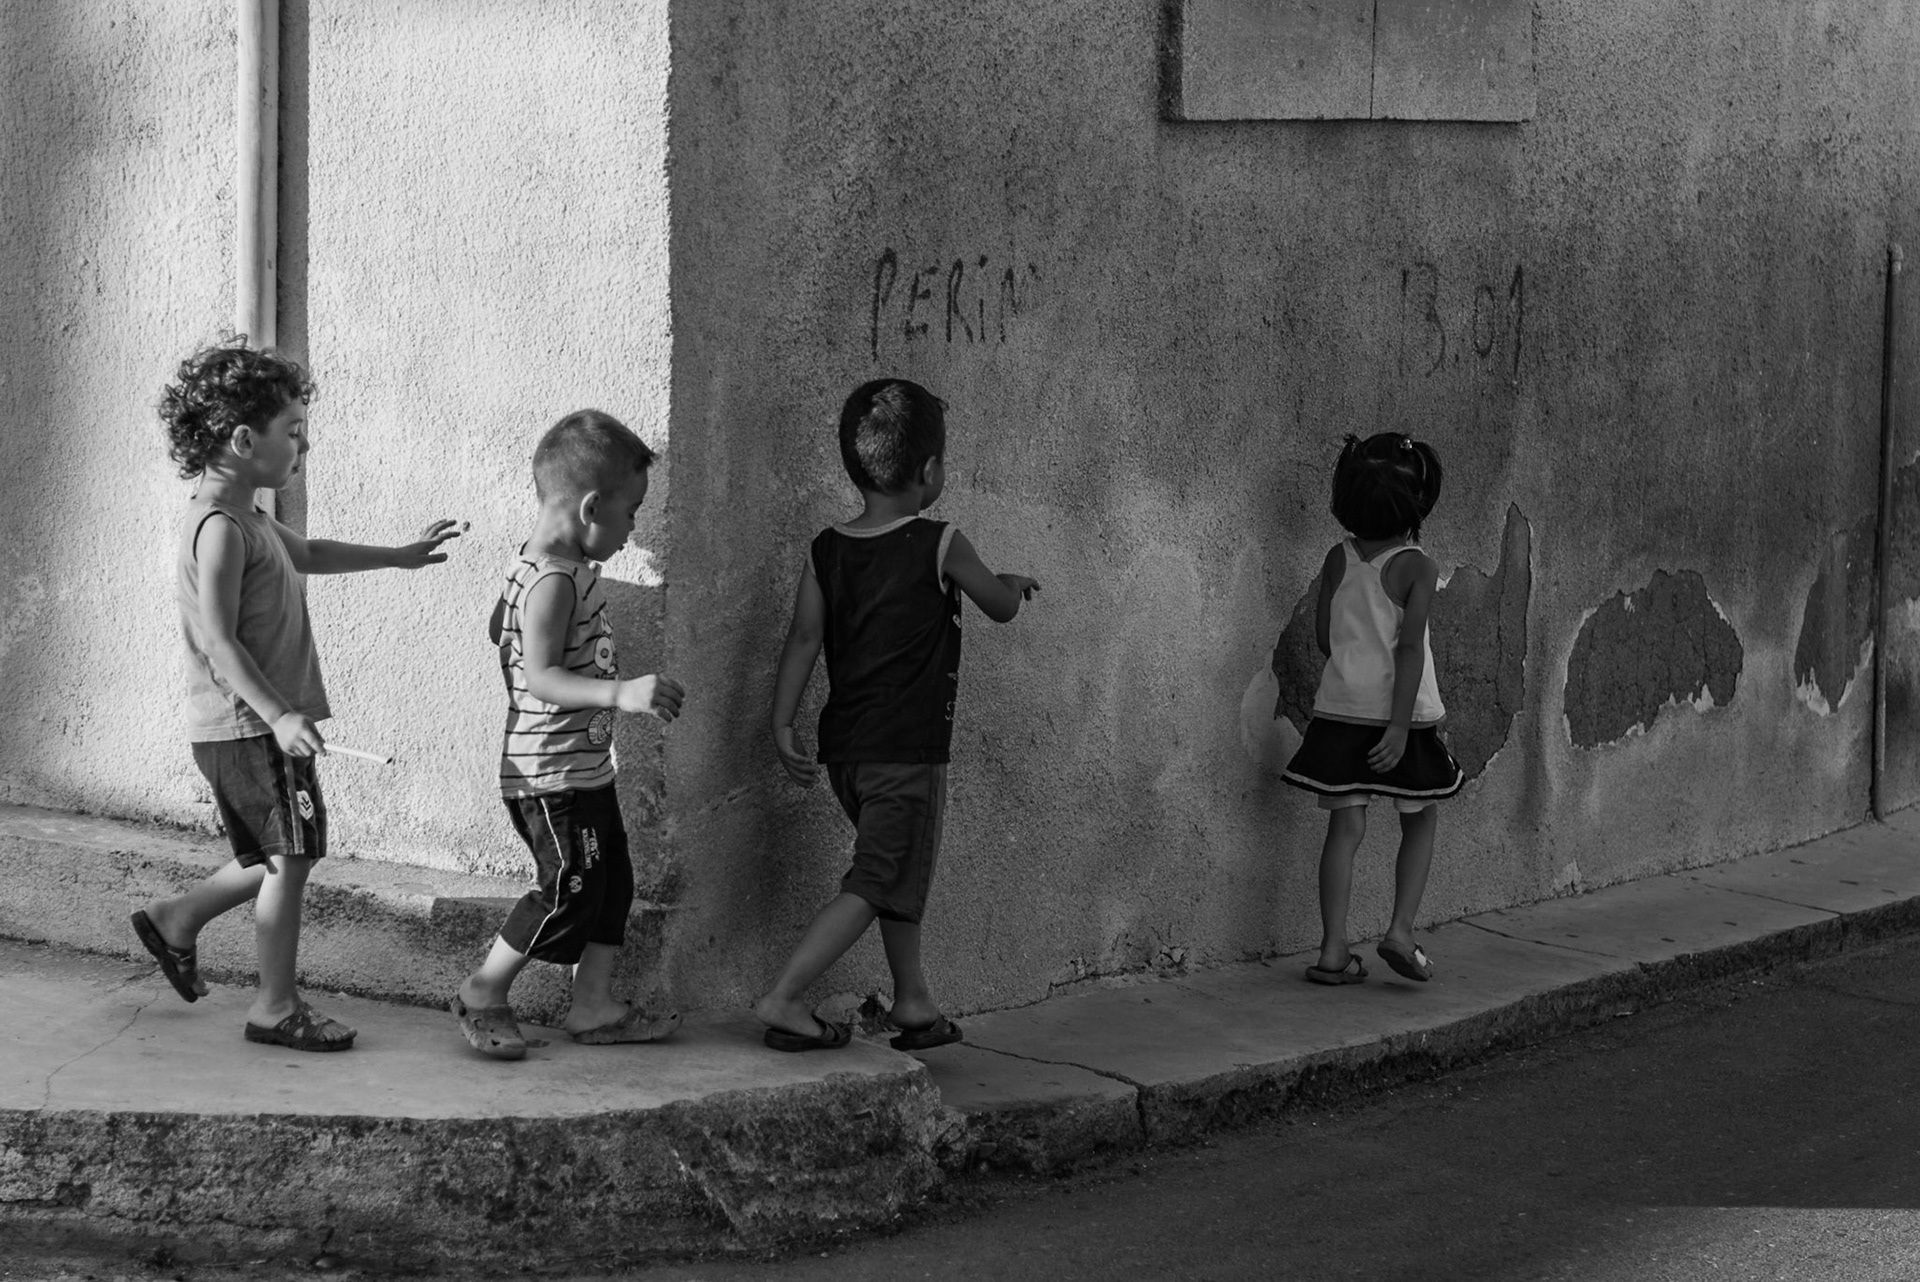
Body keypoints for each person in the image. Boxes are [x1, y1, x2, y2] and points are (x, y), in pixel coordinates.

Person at [133, 339, 462, 1051]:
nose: (304, 446)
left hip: (256, 725)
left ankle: (176, 920)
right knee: (290, 858)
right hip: (251, 724)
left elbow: (307, 554)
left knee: (279, 853)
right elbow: (219, 640)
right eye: (294, 433)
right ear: (245, 439)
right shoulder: (219, 527)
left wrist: (398, 557)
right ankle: (274, 1006)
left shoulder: (249, 517)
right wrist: (279, 715)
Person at [753, 378, 1040, 1053]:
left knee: (894, 870)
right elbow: (997, 606)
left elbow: (803, 639)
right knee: (879, 877)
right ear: (931, 471)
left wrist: (781, 723)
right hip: (905, 753)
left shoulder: (828, 549)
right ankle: (785, 997)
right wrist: (1013, 586)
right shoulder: (940, 542)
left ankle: (915, 1002)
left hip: (846, 753)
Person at [450, 409, 686, 1061]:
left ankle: (594, 1006)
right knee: (568, 889)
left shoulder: (544, 569)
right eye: (632, 511)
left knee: (613, 885)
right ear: (590, 506)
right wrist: (620, 692)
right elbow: (545, 677)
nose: (636, 528)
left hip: (584, 771)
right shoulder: (552, 579)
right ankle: (483, 990)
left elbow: (501, 628)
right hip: (549, 777)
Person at [1281, 432, 1464, 987]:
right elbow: (1409, 647)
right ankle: (1401, 932)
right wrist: (1400, 725)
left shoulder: (1337, 558)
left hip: (1338, 714)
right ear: (1417, 506)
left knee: (1345, 826)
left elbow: (1323, 634)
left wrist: (1351, 676)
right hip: (1399, 720)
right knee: (1420, 816)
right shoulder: (1418, 566)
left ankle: (1333, 949)